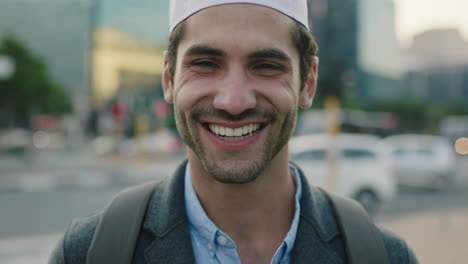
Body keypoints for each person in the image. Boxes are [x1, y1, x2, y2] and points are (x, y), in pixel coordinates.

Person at [49, 0, 418, 263]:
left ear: (308, 82)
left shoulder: (382, 256)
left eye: (266, 66)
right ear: (168, 78)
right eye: (206, 64)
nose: (234, 101)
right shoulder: (89, 252)